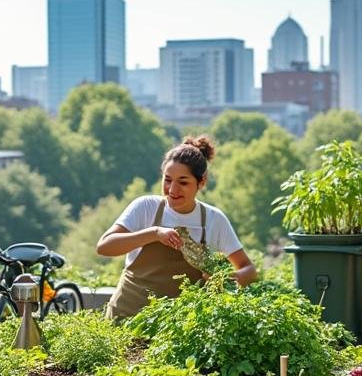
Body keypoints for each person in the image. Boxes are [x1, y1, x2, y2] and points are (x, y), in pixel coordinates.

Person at [98, 135, 256, 319]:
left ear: (202, 182)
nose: (172, 190)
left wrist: (225, 279)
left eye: (183, 182)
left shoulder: (214, 219)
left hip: (178, 330)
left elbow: (248, 269)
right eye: (167, 180)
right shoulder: (146, 207)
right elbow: (104, 246)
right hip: (126, 317)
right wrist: (154, 233)